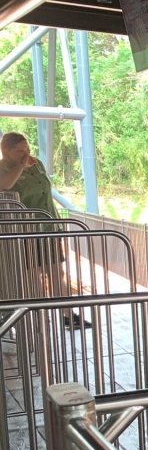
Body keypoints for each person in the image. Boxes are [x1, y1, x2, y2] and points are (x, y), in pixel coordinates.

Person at [0, 132, 89, 328]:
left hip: (48, 227)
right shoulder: (3, 168)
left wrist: (58, 224)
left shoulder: (37, 164)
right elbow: (4, 185)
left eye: (28, 149)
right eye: (20, 151)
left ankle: (68, 315)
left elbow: (46, 193)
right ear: (6, 151)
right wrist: (20, 166)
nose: (26, 154)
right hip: (25, 232)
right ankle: (39, 318)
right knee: (33, 275)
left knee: (58, 273)